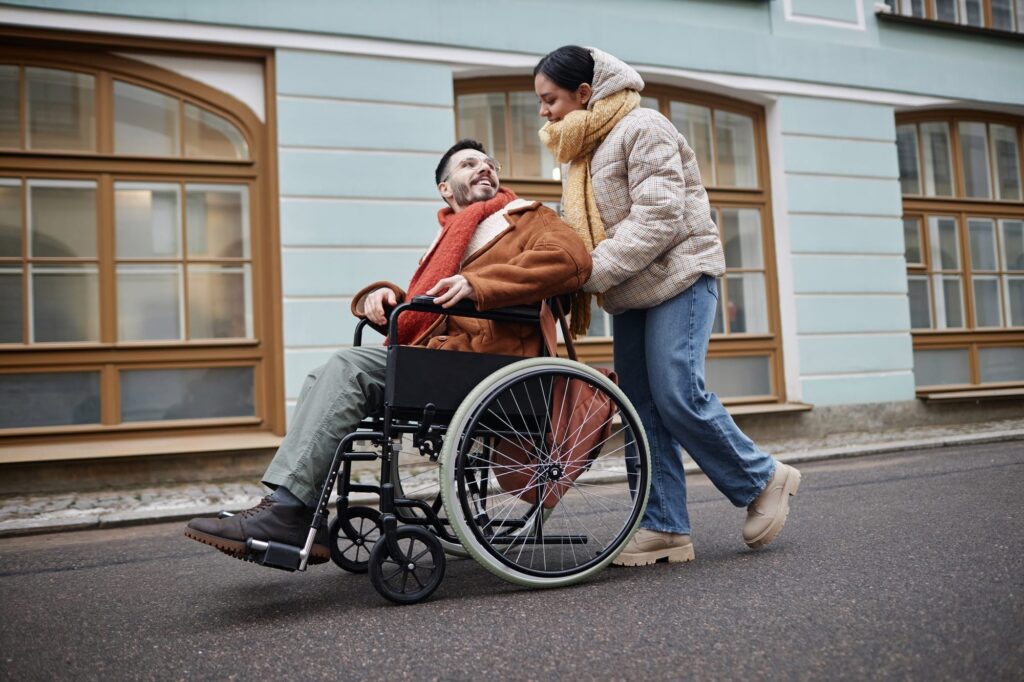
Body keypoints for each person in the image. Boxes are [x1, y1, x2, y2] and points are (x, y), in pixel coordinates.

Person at [185, 139, 592, 563]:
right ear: (446, 189)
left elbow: (572, 259)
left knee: (348, 366)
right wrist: (388, 296)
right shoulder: (450, 238)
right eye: (469, 164)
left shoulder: (525, 217)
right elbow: (431, 308)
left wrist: (480, 286)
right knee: (318, 376)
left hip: (492, 365)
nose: (484, 168)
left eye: (489, 164)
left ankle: (286, 512)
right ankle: (303, 514)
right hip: (449, 360)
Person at [534, 45, 801, 567]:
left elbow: (659, 215)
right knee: (640, 410)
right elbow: (574, 227)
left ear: (585, 93)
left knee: (676, 390)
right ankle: (663, 527)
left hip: (681, 278)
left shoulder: (644, 127)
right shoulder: (579, 154)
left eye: (551, 100)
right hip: (630, 292)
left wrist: (590, 271)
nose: (544, 112)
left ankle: (763, 478)